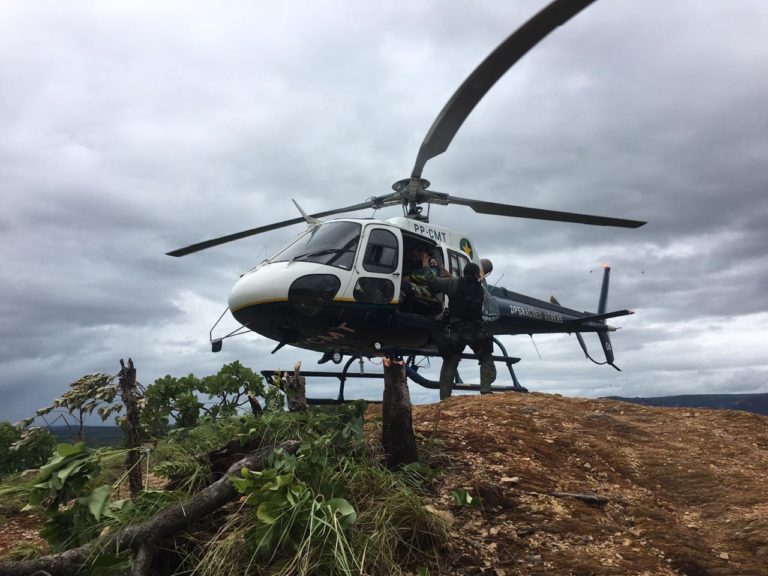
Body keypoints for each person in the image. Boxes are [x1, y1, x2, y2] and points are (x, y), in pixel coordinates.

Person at [428, 262, 496, 399]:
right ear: (477, 274)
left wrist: (427, 267)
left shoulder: (453, 283)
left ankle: (445, 397)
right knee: (486, 358)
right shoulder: (480, 288)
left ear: (464, 272)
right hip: (476, 329)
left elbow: (432, 282)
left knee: (450, 361)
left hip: (457, 329)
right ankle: (486, 390)